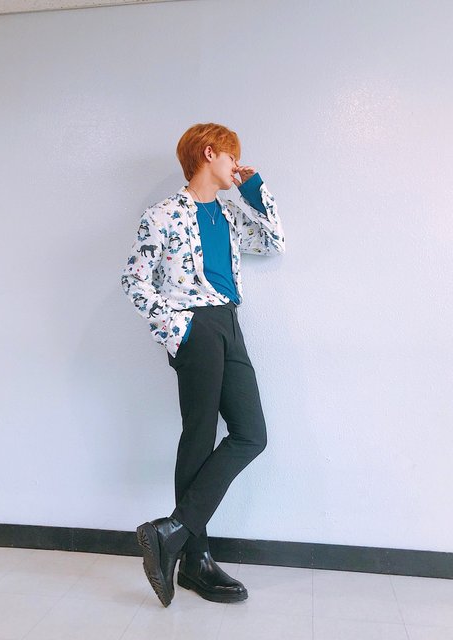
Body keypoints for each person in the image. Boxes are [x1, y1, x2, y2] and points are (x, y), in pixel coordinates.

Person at [121, 122, 285, 607]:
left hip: (229, 324)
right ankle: (196, 558)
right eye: (232, 157)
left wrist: (253, 188)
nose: (237, 165)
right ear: (210, 153)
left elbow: (273, 241)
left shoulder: (230, 215)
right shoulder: (163, 214)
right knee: (198, 436)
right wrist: (179, 329)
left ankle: (173, 532)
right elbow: (134, 280)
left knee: (251, 434)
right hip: (194, 328)